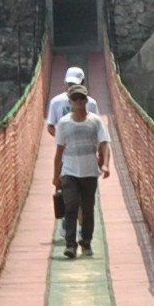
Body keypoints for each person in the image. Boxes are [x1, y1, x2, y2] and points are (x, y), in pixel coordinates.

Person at [49, 84, 112, 259]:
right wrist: (56, 175)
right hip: (69, 172)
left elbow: (105, 143)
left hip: (89, 172)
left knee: (87, 209)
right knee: (71, 206)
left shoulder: (96, 121)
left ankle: (86, 242)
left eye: (81, 98)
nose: (78, 102)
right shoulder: (63, 123)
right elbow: (59, 151)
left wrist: (105, 164)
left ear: (86, 100)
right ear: (70, 101)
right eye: (75, 99)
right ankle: (70, 244)